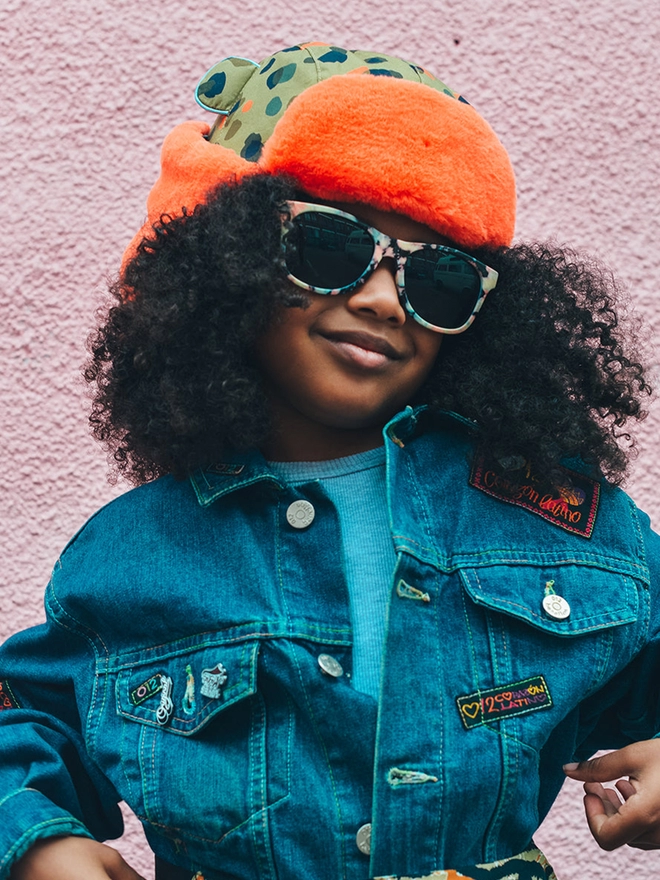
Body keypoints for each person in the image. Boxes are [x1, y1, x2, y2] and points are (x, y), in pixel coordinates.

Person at [2, 41, 660, 880]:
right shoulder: (132, 555)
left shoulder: (558, 522)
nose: (385, 298)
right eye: (329, 247)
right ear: (225, 257)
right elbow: (23, 718)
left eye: (442, 279)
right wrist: (40, 845)